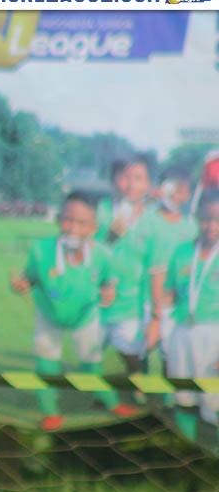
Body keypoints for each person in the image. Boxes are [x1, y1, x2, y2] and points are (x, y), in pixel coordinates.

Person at [11, 191, 117, 431]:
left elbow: (109, 282)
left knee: (91, 364)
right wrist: (21, 284)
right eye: (68, 220)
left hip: (85, 317)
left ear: (93, 228)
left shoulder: (102, 254)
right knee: (46, 365)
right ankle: (50, 413)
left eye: (81, 223)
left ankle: (110, 402)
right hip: (49, 315)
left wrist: (109, 292)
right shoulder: (41, 250)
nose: (73, 228)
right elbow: (29, 277)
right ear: (59, 219)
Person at [95, 154, 157, 414]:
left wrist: (154, 307)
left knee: (132, 351)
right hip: (99, 297)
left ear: (147, 183)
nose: (130, 184)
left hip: (134, 301)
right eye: (124, 177)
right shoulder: (100, 211)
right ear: (113, 181)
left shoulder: (153, 219)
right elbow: (87, 252)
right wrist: (109, 237)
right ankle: (102, 395)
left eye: (137, 178)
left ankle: (140, 388)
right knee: (91, 351)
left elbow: (156, 265)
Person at [161, 189, 219, 443]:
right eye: (206, 218)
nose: (212, 226)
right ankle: (187, 448)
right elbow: (171, 293)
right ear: (197, 218)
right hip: (183, 332)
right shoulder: (183, 252)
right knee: (184, 398)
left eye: (218, 220)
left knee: (214, 401)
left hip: (214, 334)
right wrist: (161, 326)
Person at [144, 167, 196, 369]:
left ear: (187, 195)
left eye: (181, 191)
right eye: (171, 189)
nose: (175, 195)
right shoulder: (147, 218)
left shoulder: (191, 227)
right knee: (142, 349)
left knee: (171, 353)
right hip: (145, 297)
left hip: (174, 301)